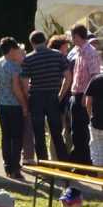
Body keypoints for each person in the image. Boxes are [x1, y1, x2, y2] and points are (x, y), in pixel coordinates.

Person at [22, 30, 70, 162]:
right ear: (45, 40)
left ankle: (43, 165)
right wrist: (60, 95)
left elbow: (25, 84)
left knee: (39, 134)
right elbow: (68, 77)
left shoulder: (28, 59)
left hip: (36, 97)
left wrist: (27, 99)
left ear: (32, 43)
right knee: (56, 134)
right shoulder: (58, 55)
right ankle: (63, 163)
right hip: (53, 96)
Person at [0, 36, 29, 179]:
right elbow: (16, 88)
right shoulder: (14, 66)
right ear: (12, 50)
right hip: (13, 105)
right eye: (17, 49)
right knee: (16, 136)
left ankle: (7, 165)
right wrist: (24, 105)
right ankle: (15, 167)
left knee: (5, 135)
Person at [67, 24, 100, 164]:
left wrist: (86, 97)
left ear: (77, 36)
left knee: (83, 132)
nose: (71, 40)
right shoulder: (78, 51)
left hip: (83, 96)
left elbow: (94, 76)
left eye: (72, 37)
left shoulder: (90, 52)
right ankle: (79, 161)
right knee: (76, 131)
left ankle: (85, 162)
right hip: (76, 94)